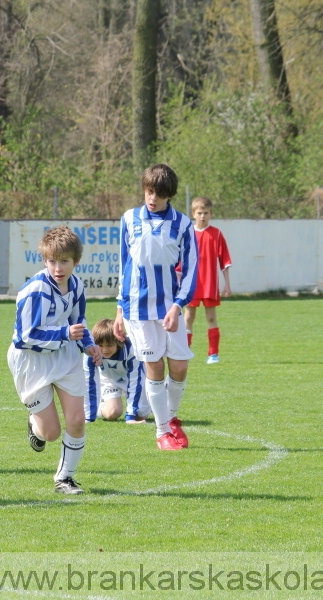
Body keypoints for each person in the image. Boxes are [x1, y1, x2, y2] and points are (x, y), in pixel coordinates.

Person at [7, 226, 101, 495]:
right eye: (52, 261)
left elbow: (78, 321)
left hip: (65, 355)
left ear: (75, 261)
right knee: (50, 433)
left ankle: (65, 479)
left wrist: (90, 345)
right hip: (31, 361)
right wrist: (64, 333)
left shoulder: (77, 285)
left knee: (77, 419)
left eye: (64, 261)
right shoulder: (36, 291)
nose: (58, 267)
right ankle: (36, 426)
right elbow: (23, 338)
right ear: (44, 260)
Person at [114, 163, 197, 451]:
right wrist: (119, 310)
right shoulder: (129, 219)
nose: (152, 198)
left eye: (159, 194)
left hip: (169, 309)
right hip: (137, 308)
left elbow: (191, 271)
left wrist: (177, 306)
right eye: (149, 192)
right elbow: (124, 265)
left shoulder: (183, 224)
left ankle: (171, 418)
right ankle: (162, 432)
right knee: (154, 366)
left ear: (169, 195)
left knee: (180, 365)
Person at [183, 196, 231, 364]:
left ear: (211, 214)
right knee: (188, 317)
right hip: (191, 284)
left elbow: (224, 261)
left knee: (211, 317)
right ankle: (185, 352)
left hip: (210, 284)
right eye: (199, 213)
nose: (202, 216)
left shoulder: (216, 234)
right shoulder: (188, 233)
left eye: (206, 213)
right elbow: (180, 260)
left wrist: (227, 284)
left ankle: (213, 354)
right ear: (193, 214)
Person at [84, 319, 150, 423]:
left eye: (109, 345)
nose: (105, 350)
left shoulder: (132, 351)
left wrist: (131, 417)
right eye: (100, 345)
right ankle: (96, 407)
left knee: (140, 415)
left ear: (118, 341)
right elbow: (89, 380)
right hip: (108, 379)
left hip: (133, 379)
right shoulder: (90, 351)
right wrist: (88, 415)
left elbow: (135, 381)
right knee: (113, 413)